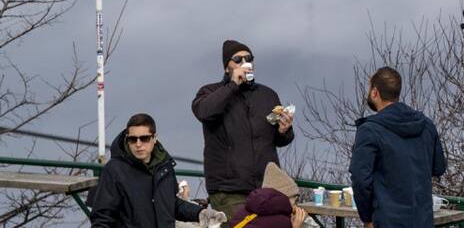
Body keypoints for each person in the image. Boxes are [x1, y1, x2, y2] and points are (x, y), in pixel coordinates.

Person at [193, 40, 295, 225]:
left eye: (248, 58)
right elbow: (204, 112)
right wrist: (233, 85)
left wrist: (284, 131)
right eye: (237, 59)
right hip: (229, 189)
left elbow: (278, 140)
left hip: (266, 188)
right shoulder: (210, 92)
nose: (244, 62)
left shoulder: (267, 95)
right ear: (226, 67)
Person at [349, 66, 446, 228]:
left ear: (374, 92)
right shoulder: (426, 125)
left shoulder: (370, 130)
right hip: (422, 220)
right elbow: (439, 167)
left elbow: (360, 179)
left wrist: (367, 218)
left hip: (387, 220)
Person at [90, 112, 222, 228]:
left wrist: (200, 213)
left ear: (154, 138)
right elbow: (102, 218)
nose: (138, 144)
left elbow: (171, 204)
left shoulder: (164, 167)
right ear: (127, 140)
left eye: (144, 138)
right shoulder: (114, 170)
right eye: (132, 139)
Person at [228, 163, 316, 228]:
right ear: (284, 197)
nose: (295, 203)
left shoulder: (241, 212)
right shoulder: (282, 222)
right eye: (294, 197)